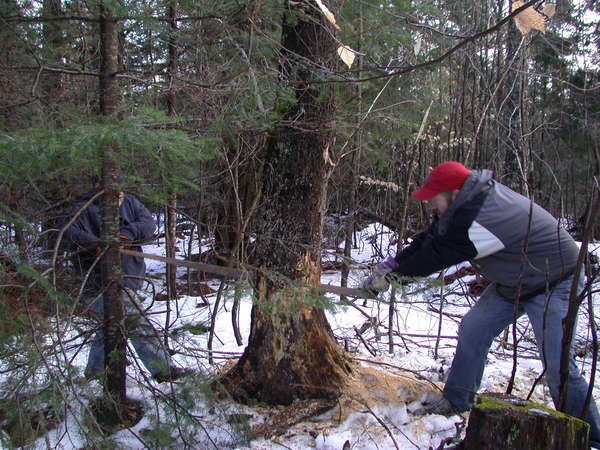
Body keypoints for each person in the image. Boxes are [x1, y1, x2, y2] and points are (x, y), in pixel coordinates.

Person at [363, 161, 600, 445]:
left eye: (433, 199)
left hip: (555, 280)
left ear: (452, 192)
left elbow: (438, 254)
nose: (431, 206)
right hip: (515, 281)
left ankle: (591, 436)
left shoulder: (481, 218)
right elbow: (434, 236)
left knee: (558, 365)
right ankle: (456, 399)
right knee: (474, 330)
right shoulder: (468, 202)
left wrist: (392, 279)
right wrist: (392, 264)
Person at [57, 175, 192, 383]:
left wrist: (127, 234)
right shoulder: (80, 209)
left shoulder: (130, 203)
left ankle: (95, 374)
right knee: (134, 319)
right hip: (96, 283)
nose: (116, 192)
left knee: (110, 326)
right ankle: (162, 369)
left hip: (130, 277)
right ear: (96, 186)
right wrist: (96, 244)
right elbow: (66, 234)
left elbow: (147, 223)